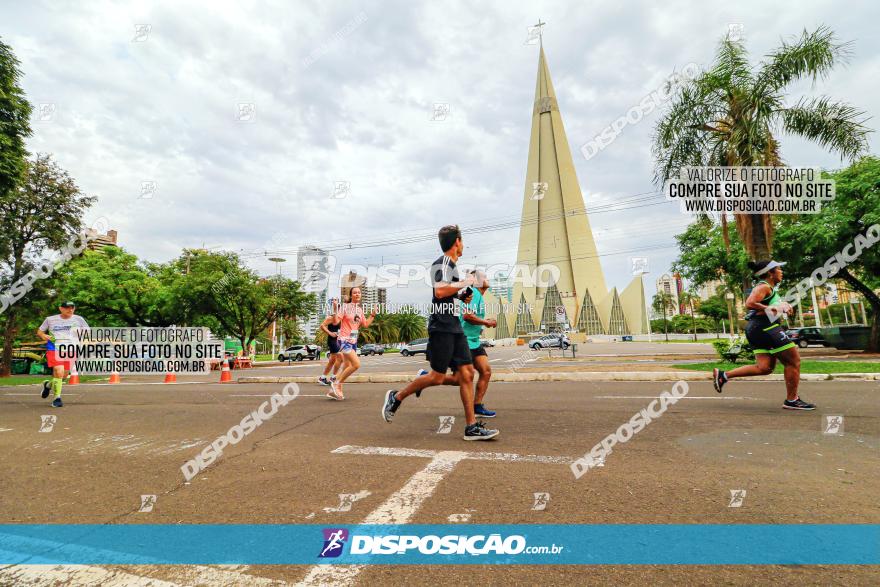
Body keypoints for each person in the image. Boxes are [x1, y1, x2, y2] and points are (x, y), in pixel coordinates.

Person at [382, 225, 499, 440]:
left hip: (455, 327)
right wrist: (465, 282)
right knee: (436, 377)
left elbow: (447, 294)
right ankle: (396, 397)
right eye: (462, 241)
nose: (463, 245)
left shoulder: (452, 267)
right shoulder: (441, 263)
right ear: (457, 242)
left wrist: (461, 296)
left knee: (466, 375)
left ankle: (471, 427)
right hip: (441, 327)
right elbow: (439, 290)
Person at [712, 260, 815, 410]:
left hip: (756, 328)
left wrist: (781, 307)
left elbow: (765, 306)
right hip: (766, 327)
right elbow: (750, 303)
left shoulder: (769, 289)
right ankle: (792, 400)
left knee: (765, 367)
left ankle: (723, 375)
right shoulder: (764, 286)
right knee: (793, 361)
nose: (782, 272)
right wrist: (775, 308)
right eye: (779, 269)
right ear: (770, 273)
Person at [417, 269, 497, 417]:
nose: (487, 278)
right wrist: (486, 322)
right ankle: (425, 377)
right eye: (484, 276)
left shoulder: (478, 295)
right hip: (464, 340)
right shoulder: (474, 293)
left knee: (485, 371)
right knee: (460, 379)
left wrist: (482, 325)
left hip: (473, 341)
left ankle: (477, 406)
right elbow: (467, 316)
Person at [36, 300, 89, 408]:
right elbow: (40, 331)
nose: (70, 310)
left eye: (72, 307)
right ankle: (57, 398)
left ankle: (48, 385)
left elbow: (87, 331)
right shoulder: (50, 319)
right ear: (61, 308)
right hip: (54, 348)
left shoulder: (79, 319)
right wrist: (43, 336)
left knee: (64, 375)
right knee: (58, 371)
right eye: (67, 307)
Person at [328, 287, 376, 400]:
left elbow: (365, 324)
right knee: (356, 364)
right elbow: (335, 322)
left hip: (353, 340)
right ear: (351, 295)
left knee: (347, 366)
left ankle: (332, 390)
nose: (357, 294)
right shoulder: (345, 307)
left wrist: (373, 315)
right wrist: (335, 309)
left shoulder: (359, 310)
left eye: (359, 292)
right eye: (355, 292)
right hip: (344, 340)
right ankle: (337, 384)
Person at [318, 298, 342, 386]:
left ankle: (323, 378)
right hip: (332, 341)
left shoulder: (339, 318)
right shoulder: (331, 317)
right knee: (341, 357)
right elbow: (322, 326)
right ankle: (333, 377)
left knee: (332, 361)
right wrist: (330, 333)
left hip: (337, 340)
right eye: (338, 307)